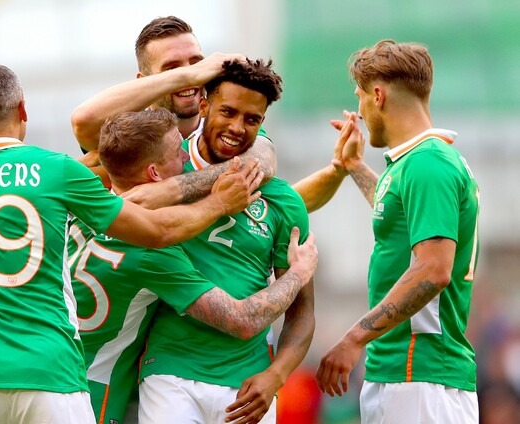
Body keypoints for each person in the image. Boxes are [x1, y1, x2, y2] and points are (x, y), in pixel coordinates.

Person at [0, 63, 263, 424]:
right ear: (23, 110)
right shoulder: (58, 172)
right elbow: (156, 229)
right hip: (50, 373)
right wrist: (219, 203)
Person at [69, 107, 319, 423]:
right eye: (178, 152)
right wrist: (298, 273)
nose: (187, 158)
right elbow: (242, 320)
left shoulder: (82, 201)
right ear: (154, 174)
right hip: (87, 387)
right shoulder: (152, 247)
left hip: (37, 359)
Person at [133, 58, 312, 424]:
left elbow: (302, 314)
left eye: (252, 119)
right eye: (228, 112)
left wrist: (275, 376)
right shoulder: (166, 175)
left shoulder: (284, 201)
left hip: (248, 384)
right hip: (170, 372)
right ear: (203, 106)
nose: (237, 128)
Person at [315, 39, 480, 424]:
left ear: (378, 95)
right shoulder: (418, 162)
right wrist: (354, 166)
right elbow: (397, 215)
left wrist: (354, 337)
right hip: (405, 375)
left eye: (359, 97)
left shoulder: (428, 164)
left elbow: (433, 269)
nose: (359, 111)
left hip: (421, 376)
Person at [70, 15, 350, 212]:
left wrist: (171, 189)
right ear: (145, 80)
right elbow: (84, 120)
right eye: (172, 68)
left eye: (197, 62)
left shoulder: (226, 126)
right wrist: (189, 75)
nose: (193, 76)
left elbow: (265, 167)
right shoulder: (128, 134)